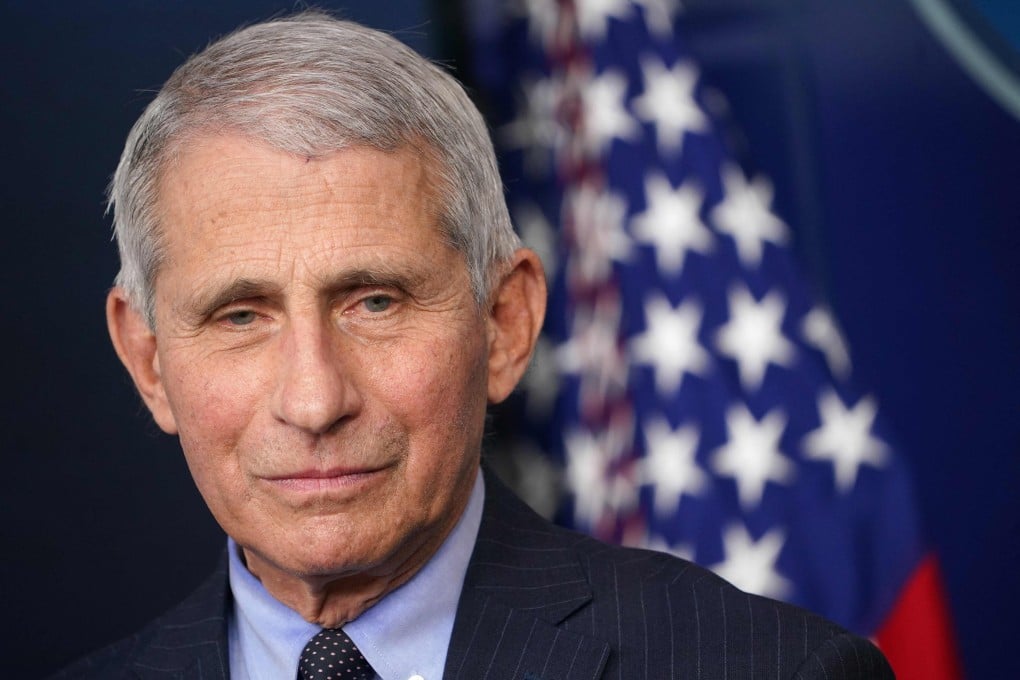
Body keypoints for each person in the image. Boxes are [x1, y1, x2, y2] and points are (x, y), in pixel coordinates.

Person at [54, 11, 893, 680]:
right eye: (241, 317)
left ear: (505, 324)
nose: (313, 401)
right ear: (149, 359)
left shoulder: (769, 670)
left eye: (375, 301)